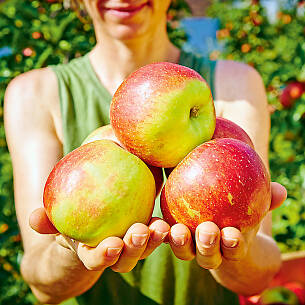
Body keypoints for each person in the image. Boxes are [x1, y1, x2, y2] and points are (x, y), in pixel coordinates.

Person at [4, 0, 287, 304]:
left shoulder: (235, 86)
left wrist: (236, 252)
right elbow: (41, 281)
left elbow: (260, 272)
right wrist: (73, 250)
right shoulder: (33, 94)